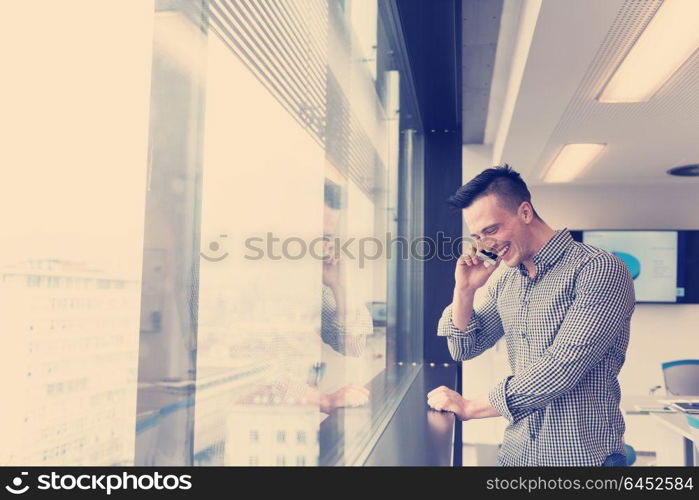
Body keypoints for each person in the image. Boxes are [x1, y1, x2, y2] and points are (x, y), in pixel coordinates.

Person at [426, 165, 635, 466]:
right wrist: (464, 291)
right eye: (477, 236)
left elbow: (562, 367)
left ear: (525, 212)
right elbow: (463, 347)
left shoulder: (598, 270)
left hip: (580, 459)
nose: (486, 245)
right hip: (517, 454)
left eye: (492, 230)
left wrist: (470, 407)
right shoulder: (508, 281)